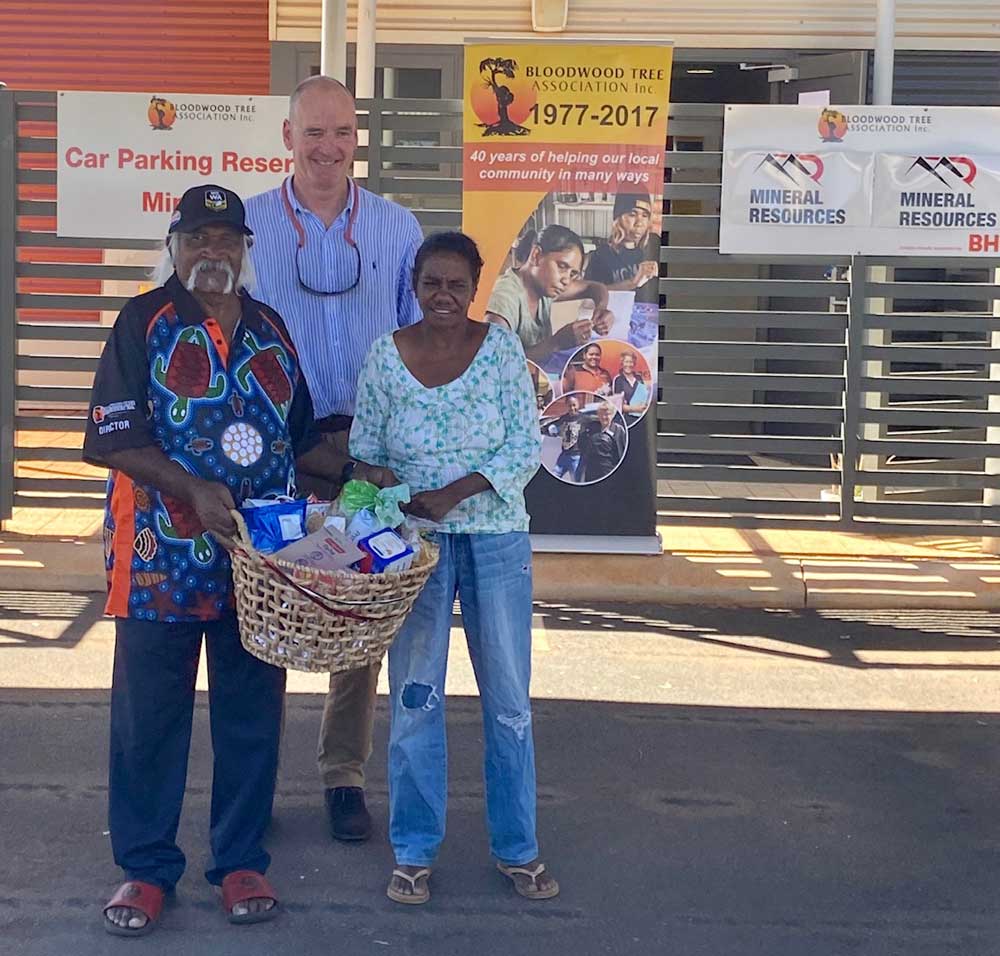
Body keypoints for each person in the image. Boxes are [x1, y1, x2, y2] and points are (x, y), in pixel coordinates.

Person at [84, 185, 392, 938]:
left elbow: (298, 442)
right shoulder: (143, 322)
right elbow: (110, 437)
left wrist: (364, 474)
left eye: (227, 240)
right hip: (159, 560)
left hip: (259, 566)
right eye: (198, 239)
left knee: (251, 714)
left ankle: (241, 861)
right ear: (175, 244)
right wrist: (190, 485)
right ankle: (147, 869)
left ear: (246, 251)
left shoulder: (268, 327)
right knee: (148, 721)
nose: (212, 253)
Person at [349, 232, 559, 906]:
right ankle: (413, 852)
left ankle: (518, 849)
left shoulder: (499, 350)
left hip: (494, 541)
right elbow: (365, 452)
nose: (444, 296)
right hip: (416, 548)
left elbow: (524, 445)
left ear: (475, 289)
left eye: (456, 286)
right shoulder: (385, 357)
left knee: (509, 704)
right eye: (431, 283)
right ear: (415, 284)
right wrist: (388, 487)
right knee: (415, 700)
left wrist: (454, 493)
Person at [246, 74, 423, 843]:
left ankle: (343, 775)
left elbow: (422, 339)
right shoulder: (248, 227)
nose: (328, 148)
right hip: (274, 442)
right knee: (265, 606)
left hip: (363, 445)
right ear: (287, 138)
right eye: (313, 132)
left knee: (360, 607)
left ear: (359, 139)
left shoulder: (396, 227)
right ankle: (251, 785)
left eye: (342, 133)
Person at [485, 224, 613, 365]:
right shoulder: (505, 298)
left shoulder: (544, 285)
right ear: (536, 255)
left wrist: (601, 308)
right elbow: (494, 364)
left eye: (573, 274)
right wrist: (556, 343)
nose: (566, 280)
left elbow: (594, 287)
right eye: (562, 266)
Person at [584, 193, 659, 304]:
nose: (640, 223)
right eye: (632, 214)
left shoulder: (655, 245)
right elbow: (589, 297)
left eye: (645, 215)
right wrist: (633, 283)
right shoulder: (600, 256)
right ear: (618, 219)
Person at [581, 401, 628, 482]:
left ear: (612, 415)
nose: (604, 417)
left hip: (609, 473)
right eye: (601, 414)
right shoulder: (592, 429)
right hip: (591, 473)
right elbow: (583, 446)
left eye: (607, 414)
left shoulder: (618, 430)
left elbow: (623, 452)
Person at [544, 394, 586, 482]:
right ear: (567, 405)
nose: (572, 408)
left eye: (574, 405)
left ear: (578, 404)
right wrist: (550, 429)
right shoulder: (564, 418)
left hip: (576, 456)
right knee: (554, 476)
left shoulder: (584, 418)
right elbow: (554, 427)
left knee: (575, 481)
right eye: (570, 405)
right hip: (564, 455)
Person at [612, 350, 650, 425]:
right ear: (622, 363)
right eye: (626, 362)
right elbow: (618, 405)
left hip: (641, 418)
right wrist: (635, 409)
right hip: (627, 420)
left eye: (631, 362)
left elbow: (643, 395)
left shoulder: (639, 378)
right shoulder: (618, 380)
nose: (629, 364)